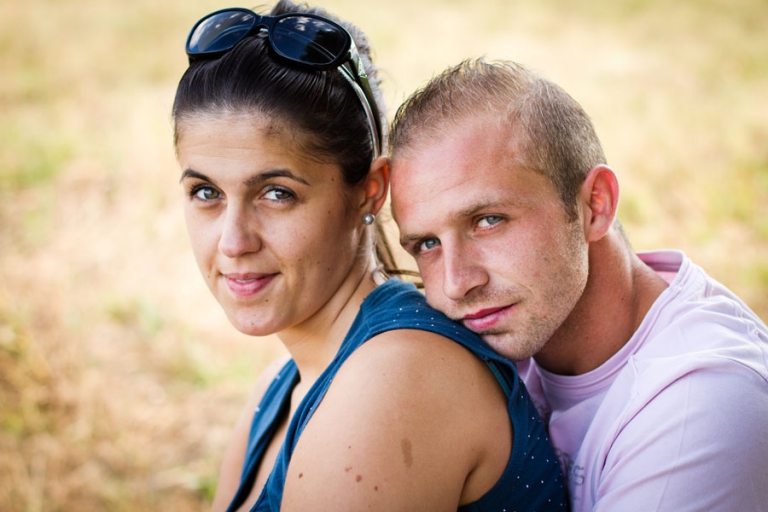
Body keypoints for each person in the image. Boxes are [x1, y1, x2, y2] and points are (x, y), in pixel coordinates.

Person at [172, 4, 567, 511]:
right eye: (206, 193)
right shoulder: (277, 388)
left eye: (276, 193)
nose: (233, 242)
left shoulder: (396, 382)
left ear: (369, 191)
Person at [388, 58, 768, 512]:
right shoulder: (486, 339)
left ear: (595, 205)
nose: (455, 283)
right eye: (426, 243)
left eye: (488, 220)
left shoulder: (701, 404)